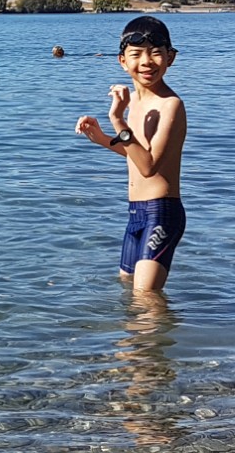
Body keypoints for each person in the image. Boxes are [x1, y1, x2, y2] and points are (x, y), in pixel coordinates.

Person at [76, 16, 188, 292]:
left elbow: (149, 167)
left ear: (170, 57)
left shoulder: (170, 105)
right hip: (136, 213)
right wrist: (102, 138)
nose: (146, 62)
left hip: (161, 212)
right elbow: (136, 155)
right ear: (123, 61)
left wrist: (117, 120)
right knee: (127, 288)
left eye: (156, 53)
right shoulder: (134, 100)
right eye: (136, 54)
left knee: (146, 297)